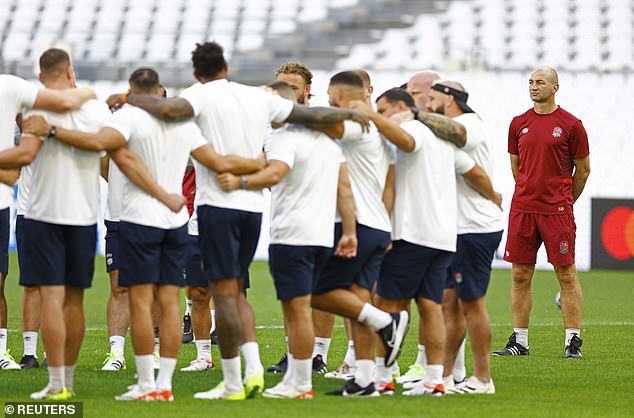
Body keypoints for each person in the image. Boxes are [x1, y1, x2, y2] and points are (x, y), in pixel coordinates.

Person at [105, 42, 368, 400]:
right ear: (226, 66)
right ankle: (254, 369)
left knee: (225, 295)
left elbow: (169, 108)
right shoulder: (257, 97)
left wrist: (129, 99)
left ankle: (236, 379)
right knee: (237, 293)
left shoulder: (198, 94)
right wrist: (353, 115)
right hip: (253, 209)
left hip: (218, 204)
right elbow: (309, 117)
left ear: (198, 72)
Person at [360, 87, 501, 397]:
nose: (381, 117)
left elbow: (408, 142)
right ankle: (436, 380)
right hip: (444, 236)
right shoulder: (443, 138)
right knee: (432, 307)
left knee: (389, 305)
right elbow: (474, 171)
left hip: (412, 233)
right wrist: (494, 195)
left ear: (399, 107)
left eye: (383, 110)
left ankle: (382, 379)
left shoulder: (413, 129)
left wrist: (372, 117)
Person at [0, 49, 109, 399]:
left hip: (42, 215)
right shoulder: (95, 108)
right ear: (70, 69)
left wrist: (51, 132)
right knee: (74, 301)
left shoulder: (38, 108)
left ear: (41, 73)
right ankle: (69, 382)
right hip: (83, 216)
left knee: (50, 297)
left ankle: (56, 384)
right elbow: (103, 149)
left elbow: (24, 157)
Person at [493, 67, 590, 359]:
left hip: (556, 211)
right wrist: (528, 191)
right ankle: (519, 342)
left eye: (541, 82)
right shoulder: (518, 123)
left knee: (566, 273)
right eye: (531, 82)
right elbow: (516, 167)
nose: (534, 87)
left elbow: (583, 171)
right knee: (520, 274)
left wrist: (563, 200)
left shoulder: (572, 125)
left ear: (555, 87)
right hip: (522, 209)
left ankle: (572, 341)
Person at [427, 80, 504, 394]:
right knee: (450, 303)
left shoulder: (468, 124)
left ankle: (483, 378)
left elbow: (457, 137)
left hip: (474, 228)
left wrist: (414, 115)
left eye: (432, 98)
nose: (427, 104)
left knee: (472, 304)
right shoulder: (460, 123)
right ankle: (444, 376)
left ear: (449, 98)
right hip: (459, 228)